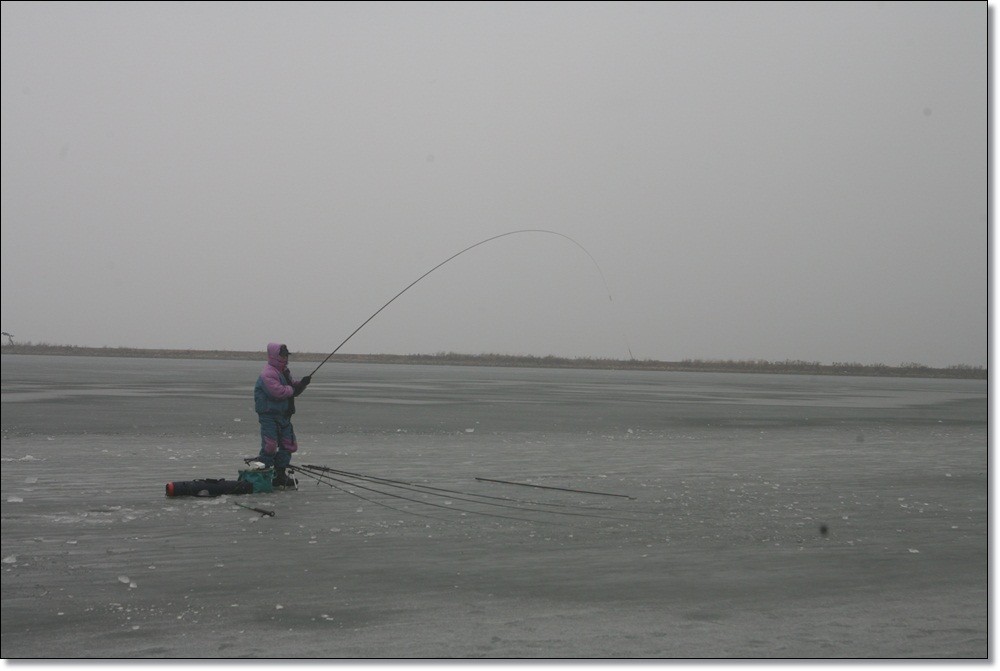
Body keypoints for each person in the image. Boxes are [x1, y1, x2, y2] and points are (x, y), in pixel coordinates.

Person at [254, 343, 311, 487]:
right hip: (269, 415)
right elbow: (278, 392)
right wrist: (293, 388)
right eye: (283, 355)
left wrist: (302, 384)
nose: (285, 358)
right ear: (275, 356)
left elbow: (292, 389)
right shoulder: (268, 373)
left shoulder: (284, 371)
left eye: (286, 355)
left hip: (284, 416)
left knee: (289, 445)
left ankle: (280, 474)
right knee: (270, 446)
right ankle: (263, 475)